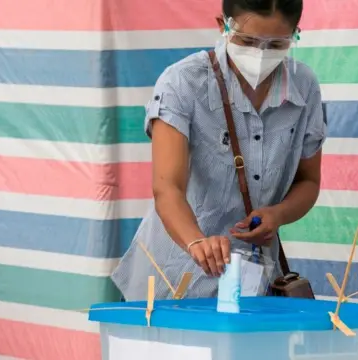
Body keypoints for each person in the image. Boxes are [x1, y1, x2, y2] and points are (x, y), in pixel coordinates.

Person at [111, 0, 326, 300]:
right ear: (222, 25)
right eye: (248, 41)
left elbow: (309, 181)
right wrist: (196, 242)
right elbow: (166, 187)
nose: (261, 54)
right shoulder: (182, 82)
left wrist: (278, 214)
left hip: (254, 290)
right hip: (170, 283)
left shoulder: (304, 86)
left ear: (295, 34)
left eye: (277, 44)